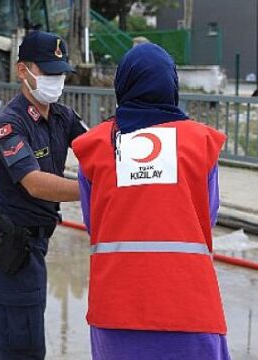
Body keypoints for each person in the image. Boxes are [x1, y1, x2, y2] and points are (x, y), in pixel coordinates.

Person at [71, 44, 230, 360]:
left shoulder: (97, 147)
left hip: (116, 306)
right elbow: (206, 216)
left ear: (123, 85)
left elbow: (94, 222)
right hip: (189, 305)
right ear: (171, 86)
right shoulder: (200, 144)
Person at [0, 31, 87, 360]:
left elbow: (95, 148)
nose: (56, 80)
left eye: (60, 73)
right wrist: (92, 188)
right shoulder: (9, 123)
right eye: (48, 72)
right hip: (14, 248)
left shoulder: (62, 116)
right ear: (24, 71)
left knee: (4, 328)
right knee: (25, 346)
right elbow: (34, 183)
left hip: (34, 242)